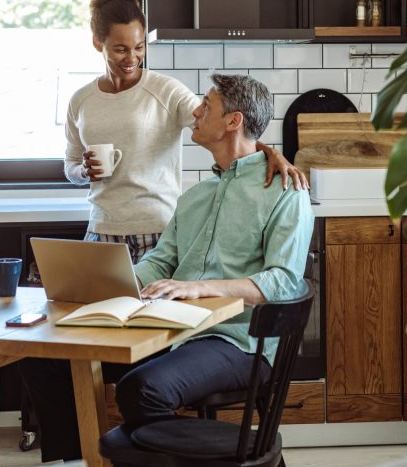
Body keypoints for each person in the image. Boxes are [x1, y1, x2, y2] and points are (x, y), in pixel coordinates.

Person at [21, 73, 313, 463]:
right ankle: (78, 460)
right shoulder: (196, 196)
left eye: (206, 105)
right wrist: (105, 284)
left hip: (238, 342)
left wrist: (202, 288)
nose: (196, 111)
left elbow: (282, 282)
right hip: (175, 330)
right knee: (45, 357)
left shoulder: (285, 192)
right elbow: (161, 261)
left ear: (233, 121)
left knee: (142, 389)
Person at [64, 0, 306, 263]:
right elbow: (70, 165)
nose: (132, 58)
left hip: (157, 232)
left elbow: (223, 127)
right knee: (97, 307)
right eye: (120, 49)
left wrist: (272, 153)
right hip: (100, 230)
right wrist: (82, 171)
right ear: (97, 42)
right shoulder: (81, 100)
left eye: (139, 47)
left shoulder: (165, 90)